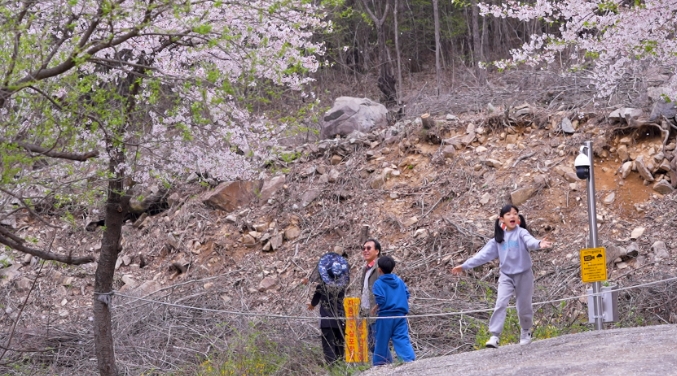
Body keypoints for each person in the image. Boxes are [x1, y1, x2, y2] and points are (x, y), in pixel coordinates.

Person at [450, 204, 552, 348]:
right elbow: (482, 256)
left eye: (515, 214)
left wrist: (539, 243)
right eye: (509, 214)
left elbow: (531, 241)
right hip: (506, 276)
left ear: (518, 218)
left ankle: (525, 331)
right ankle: (495, 336)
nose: (512, 216)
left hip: (524, 275)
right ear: (501, 219)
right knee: (500, 303)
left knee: (524, 306)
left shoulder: (521, 233)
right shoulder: (498, 239)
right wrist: (465, 266)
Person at [371, 255, 416, 366]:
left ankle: (381, 363)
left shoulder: (378, 283)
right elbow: (407, 294)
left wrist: (376, 307)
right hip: (400, 315)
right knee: (401, 338)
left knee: (381, 340)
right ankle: (409, 360)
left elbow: (381, 299)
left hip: (385, 316)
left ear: (379, 269)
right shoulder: (399, 281)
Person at [308, 252, 350, 364]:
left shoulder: (322, 286)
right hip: (341, 319)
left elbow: (315, 299)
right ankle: (341, 368)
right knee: (339, 346)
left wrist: (311, 305)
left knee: (328, 347)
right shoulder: (342, 286)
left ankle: (333, 369)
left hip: (327, 320)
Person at [358, 239, 382, 355]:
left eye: (369, 248)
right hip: (366, 312)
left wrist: (379, 305)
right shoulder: (366, 269)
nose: (365, 251)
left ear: (377, 251)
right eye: (364, 248)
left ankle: (385, 367)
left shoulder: (380, 267)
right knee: (371, 344)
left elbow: (386, 287)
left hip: (377, 311)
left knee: (378, 343)